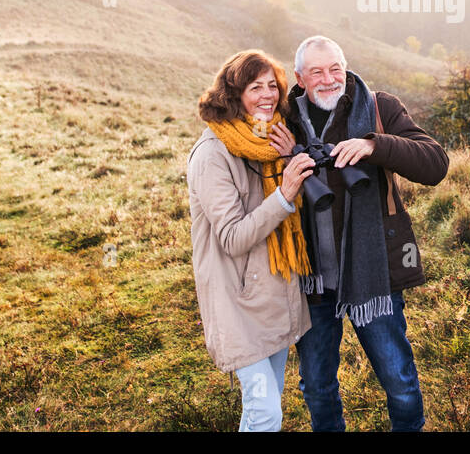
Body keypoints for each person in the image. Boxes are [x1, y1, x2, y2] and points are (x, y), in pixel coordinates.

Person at [265, 35, 449, 431]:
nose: (329, 79)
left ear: (345, 67)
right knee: (316, 386)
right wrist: (286, 158)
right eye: (316, 71)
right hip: (311, 278)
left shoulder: (379, 108)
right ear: (299, 78)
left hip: (373, 271)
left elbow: (435, 164)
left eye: (336, 68)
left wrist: (374, 146)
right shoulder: (285, 121)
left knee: (398, 380)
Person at [186, 49, 318, 431]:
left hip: (274, 293)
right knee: (265, 412)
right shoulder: (212, 154)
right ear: (233, 94)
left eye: (272, 86)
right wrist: (285, 195)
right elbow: (231, 237)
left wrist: (289, 156)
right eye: (254, 86)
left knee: (263, 405)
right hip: (237, 300)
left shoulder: (272, 141)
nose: (267, 95)